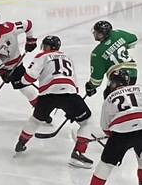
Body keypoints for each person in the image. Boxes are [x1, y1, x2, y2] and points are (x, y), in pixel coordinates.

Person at [14, 35, 94, 168]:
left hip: (48, 96)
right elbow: (74, 82)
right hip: (69, 94)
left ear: (47, 47)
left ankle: (21, 142)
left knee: (35, 120)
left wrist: (21, 81)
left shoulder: (42, 56)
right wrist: (71, 108)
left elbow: (29, 77)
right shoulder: (68, 57)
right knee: (87, 122)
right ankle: (78, 153)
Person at [85, 20, 138, 99]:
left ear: (101, 35)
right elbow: (134, 39)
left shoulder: (97, 53)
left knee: (110, 98)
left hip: (117, 77)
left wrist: (90, 86)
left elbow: (96, 80)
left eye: (96, 32)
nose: (94, 33)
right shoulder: (118, 33)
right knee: (128, 96)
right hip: (133, 72)